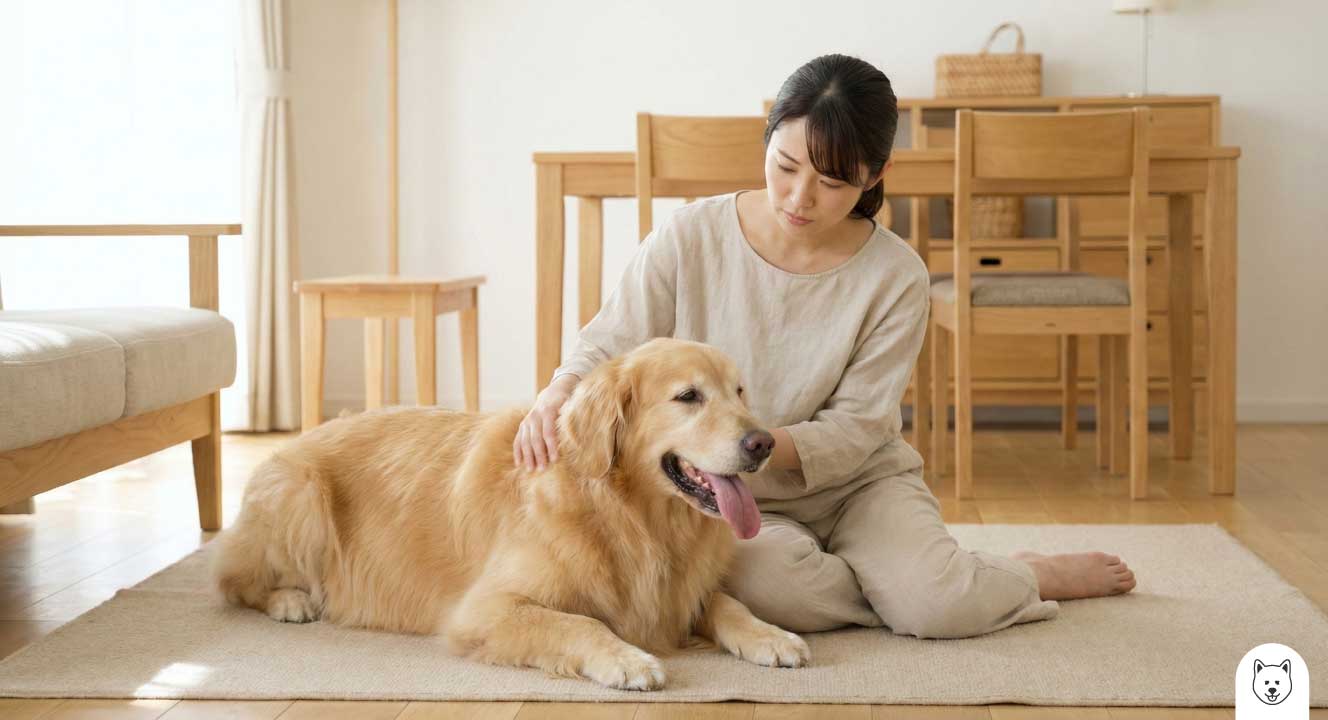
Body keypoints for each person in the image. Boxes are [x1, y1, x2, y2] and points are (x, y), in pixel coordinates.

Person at [513, 53, 1136, 638]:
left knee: (938, 608)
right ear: (768, 140)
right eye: (786, 167)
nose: (799, 198)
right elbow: (612, 341)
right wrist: (559, 393)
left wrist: (748, 444)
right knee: (780, 591)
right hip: (735, 493)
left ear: (875, 176)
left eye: (834, 182)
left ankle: (1018, 573)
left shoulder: (896, 275)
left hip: (859, 485)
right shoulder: (688, 235)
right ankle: (917, 580)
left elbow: (859, 426)